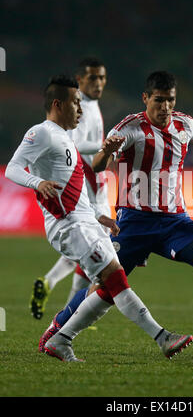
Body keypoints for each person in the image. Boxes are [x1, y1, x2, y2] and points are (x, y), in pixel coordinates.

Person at [39, 71, 193, 356]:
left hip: (175, 222)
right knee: (106, 287)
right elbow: (100, 164)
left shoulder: (184, 124)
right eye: (159, 100)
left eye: (170, 100)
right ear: (146, 98)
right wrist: (106, 152)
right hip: (134, 223)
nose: (165, 107)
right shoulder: (130, 128)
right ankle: (58, 328)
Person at [5, 74, 193, 362]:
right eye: (76, 103)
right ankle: (162, 337)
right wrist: (37, 183)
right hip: (68, 226)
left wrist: (98, 215)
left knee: (107, 286)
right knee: (115, 279)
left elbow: (72, 185)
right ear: (58, 104)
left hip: (87, 222)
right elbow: (13, 169)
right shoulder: (40, 133)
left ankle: (61, 339)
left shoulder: (65, 138)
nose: (81, 109)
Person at [30, 57, 113, 320]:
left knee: (87, 249)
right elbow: (72, 144)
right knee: (94, 249)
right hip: (87, 186)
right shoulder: (82, 107)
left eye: (101, 77)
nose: (98, 83)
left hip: (94, 185)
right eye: (92, 78)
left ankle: (52, 284)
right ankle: (72, 314)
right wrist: (107, 146)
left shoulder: (91, 105)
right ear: (80, 81)